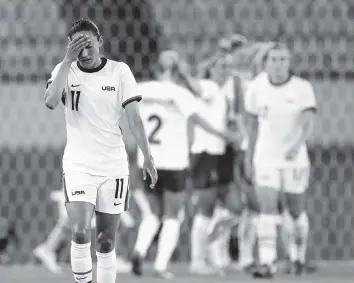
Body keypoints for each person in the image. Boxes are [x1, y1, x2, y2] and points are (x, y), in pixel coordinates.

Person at [44, 18, 157, 283]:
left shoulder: (119, 72)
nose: (84, 52)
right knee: (81, 231)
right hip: (78, 165)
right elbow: (50, 101)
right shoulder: (65, 70)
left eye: (89, 45)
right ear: (70, 47)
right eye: (77, 46)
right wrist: (66, 61)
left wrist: (148, 157)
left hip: (113, 165)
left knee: (106, 241)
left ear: (100, 42)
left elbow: (135, 119)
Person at [130, 50, 237, 279]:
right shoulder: (180, 93)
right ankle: (160, 266)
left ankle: (139, 250)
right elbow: (198, 120)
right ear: (177, 71)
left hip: (146, 160)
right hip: (173, 162)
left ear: (155, 70)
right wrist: (224, 134)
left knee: (151, 214)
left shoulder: (139, 88)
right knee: (172, 216)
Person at [244, 43, 316, 278]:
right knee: (267, 207)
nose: (278, 64)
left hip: (295, 159)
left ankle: (298, 257)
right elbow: (252, 125)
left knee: (295, 210)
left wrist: (296, 145)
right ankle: (267, 263)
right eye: (273, 59)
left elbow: (308, 120)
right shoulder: (256, 87)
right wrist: (248, 156)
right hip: (265, 157)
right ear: (265, 63)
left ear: (289, 62)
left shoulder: (302, 88)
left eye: (283, 59)